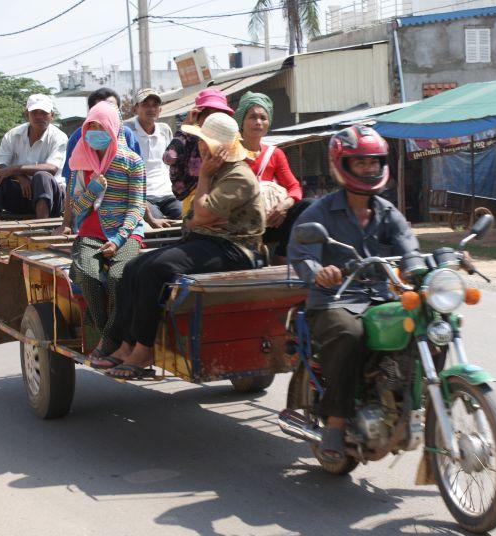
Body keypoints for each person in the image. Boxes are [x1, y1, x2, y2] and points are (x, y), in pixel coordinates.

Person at [95, 112, 265, 379]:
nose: (200, 145)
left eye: (204, 141)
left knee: (156, 270)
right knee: (134, 267)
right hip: (206, 242)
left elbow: (201, 215)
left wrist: (205, 180)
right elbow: (199, 218)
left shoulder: (237, 175)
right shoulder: (218, 170)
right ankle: (125, 343)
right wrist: (202, 209)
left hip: (235, 250)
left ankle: (143, 348)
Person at [288, 126, 419, 462]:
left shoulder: (388, 212)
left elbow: (410, 250)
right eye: (359, 163)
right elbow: (302, 256)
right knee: (351, 333)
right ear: (342, 164)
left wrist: (429, 266)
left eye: (373, 162)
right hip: (335, 302)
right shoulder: (319, 213)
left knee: (427, 322)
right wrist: (320, 273)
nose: (369, 169)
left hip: (381, 299)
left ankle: (417, 402)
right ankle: (335, 422)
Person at [67, 101, 145, 358]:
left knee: (117, 278)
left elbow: (137, 207)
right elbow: (76, 207)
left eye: (101, 126)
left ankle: (108, 339)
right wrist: (93, 190)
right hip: (90, 234)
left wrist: (118, 239)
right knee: (87, 275)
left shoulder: (132, 162)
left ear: (113, 127)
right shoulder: (80, 161)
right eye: (91, 126)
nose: (95, 132)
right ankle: (109, 336)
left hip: (126, 234)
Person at [235, 91, 310, 263]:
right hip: (241, 225)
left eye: (263, 117)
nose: (258, 122)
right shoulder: (230, 152)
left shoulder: (274, 154)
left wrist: (283, 206)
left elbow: (294, 187)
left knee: (308, 205)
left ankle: (282, 254)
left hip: (271, 222)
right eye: (252, 117)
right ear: (242, 121)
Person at [0, 94, 68, 242]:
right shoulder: (13, 135)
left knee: (42, 176)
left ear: (51, 115)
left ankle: (42, 231)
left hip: (50, 199)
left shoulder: (58, 137)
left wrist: (15, 170)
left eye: (44, 113)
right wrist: (19, 177)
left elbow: (52, 168)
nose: (39, 117)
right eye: (35, 112)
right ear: (27, 114)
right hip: (23, 195)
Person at [54, 87, 141, 236]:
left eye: (111, 108)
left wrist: (145, 223)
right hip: (89, 223)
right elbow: (72, 182)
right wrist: (66, 223)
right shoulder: (79, 137)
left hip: (123, 222)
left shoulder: (127, 136)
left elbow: (137, 189)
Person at [162, 88, 235, 216]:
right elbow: (169, 157)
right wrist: (185, 128)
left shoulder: (230, 140)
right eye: (208, 115)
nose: (213, 121)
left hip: (222, 199)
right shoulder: (189, 136)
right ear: (198, 116)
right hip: (193, 202)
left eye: (218, 115)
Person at [125, 88, 181, 227]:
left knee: (185, 215)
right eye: (145, 104)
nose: (151, 109)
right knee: (154, 221)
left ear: (160, 110)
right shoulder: (127, 131)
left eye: (155, 105)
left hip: (168, 193)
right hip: (143, 196)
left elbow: (171, 163)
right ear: (135, 109)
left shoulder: (164, 129)